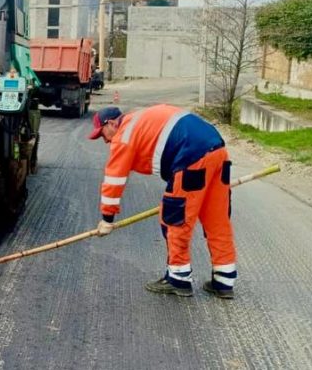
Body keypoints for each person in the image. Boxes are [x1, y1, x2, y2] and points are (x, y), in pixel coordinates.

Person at [88, 105, 237, 299]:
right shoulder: (138, 120)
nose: (106, 140)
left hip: (191, 157)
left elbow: (114, 179)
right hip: (217, 150)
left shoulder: (123, 136)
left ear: (112, 123)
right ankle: (224, 281)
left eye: (103, 134)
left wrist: (107, 218)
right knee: (217, 220)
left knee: (175, 219)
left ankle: (179, 279)